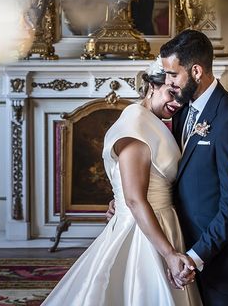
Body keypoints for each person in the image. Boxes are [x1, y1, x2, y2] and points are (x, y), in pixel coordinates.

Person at [42, 61, 202, 306]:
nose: (177, 104)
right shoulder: (137, 126)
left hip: (162, 221)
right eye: (172, 94)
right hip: (143, 230)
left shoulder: (147, 121)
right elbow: (135, 199)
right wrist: (169, 253)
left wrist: (118, 198)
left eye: (182, 99)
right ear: (152, 86)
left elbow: (141, 182)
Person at [160, 29, 228, 306]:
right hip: (184, 250)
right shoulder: (182, 111)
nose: (168, 84)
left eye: (173, 74)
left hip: (221, 262)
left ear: (196, 71)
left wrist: (196, 256)